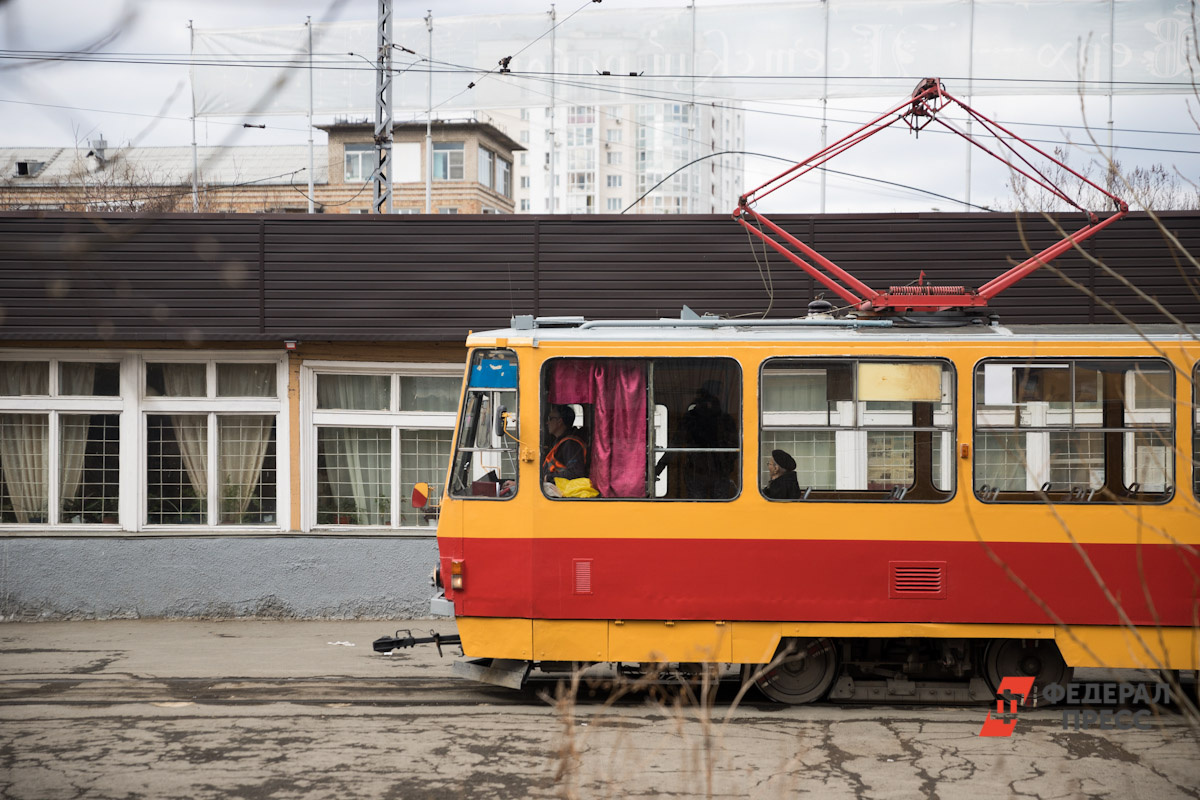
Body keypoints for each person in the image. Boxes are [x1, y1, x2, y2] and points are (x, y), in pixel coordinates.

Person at [542, 404, 588, 483]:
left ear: (559, 421)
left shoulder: (571, 444)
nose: (547, 423)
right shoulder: (560, 441)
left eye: (550, 419)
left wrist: (548, 478)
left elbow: (575, 474)